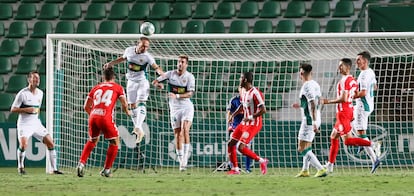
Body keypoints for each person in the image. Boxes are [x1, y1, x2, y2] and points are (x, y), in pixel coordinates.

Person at [321, 58, 379, 174]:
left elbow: (343, 98)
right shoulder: (353, 80)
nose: (339, 68)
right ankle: (330, 165)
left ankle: (373, 144)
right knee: (333, 137)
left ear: (347, 67)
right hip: (347, 111)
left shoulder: (345, 81)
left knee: (347, 141)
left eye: (341, 66)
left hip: (344, 112)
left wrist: (327, 101)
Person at [104, 36, 163, 144]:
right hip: (130, 82)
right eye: (143, 46)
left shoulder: (147, 57)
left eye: (147, 47)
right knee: (131, 106)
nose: (145, 48)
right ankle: (139, 129)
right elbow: (123, 58)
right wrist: (111, 63)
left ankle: (137, 127)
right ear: (138, 44)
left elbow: (156, 68)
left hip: (142, 82)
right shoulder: (129, 50)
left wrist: (162, 77)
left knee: (141, 102)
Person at [76, 67, 132, 177]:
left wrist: (95, 116)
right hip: (105, 117)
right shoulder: (118, 88)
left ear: (103, 77)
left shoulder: (96, 87)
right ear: (114, 77)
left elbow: (86, 106)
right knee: (115, 142)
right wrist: (128, 112)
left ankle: (81, 164)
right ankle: (106, 170)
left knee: (92, 140)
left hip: (93, 116)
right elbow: (124, 104)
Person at [11, 71, 63, 175]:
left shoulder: (40, 93)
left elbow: (36, 109)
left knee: (50, 142)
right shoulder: (22, 93)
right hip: (24, 124)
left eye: (38, 78)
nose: (37, 80)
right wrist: (27, 110)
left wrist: (34, 112)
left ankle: (54, 169)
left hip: (35, 123)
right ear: (29, 80)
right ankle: (20, 167)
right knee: (24, 145)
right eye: (34, 78)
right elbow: (13, 109)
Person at [152, 55, 195, 171]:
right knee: (177, 134)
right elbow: (155, 81)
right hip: (174, 109)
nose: (180, 64)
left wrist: (177, 95)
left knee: (185, 129)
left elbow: (190, 94)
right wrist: (158, 85)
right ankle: (181, 161)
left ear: (186, 64)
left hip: (186, 106)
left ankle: (185, 158)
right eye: (179, 62)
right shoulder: (170, 74)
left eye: (182, 62)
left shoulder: (190, 77)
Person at [227, 72, 268, 175]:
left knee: (240, 147)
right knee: (231, 143)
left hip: (254, 124)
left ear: (245, 80)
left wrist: (250, 117)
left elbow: (263, 110)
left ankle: (262, 161)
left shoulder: (255, 93)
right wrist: (233, 115)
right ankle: (235, 169)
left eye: (240, 78)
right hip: (244, 123)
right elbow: (242, 106)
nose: (239, 80)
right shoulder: (244, 92)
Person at [292, 64, 327, 178]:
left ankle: (320, 169)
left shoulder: (306, 86)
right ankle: (305, 170)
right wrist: (301, 105)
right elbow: (318, 101)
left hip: (309, 120)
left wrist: (313, 122)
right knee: (308, 146)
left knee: (301, 148)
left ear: (301, 73)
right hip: (316, 117)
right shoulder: (315, 84)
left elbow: (312, 103)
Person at [354, 51, 381, 173]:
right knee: (348, 123)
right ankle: (362, 143)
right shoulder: (370, 72)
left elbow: (363, 92)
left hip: (362, 107)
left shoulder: (364, 75)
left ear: (365, 61)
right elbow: (375, 87)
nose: (356, 61)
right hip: (369, 105)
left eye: (359, 59)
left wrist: (351, 96)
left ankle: (374, 157)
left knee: (361, 134)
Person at [226, 86, 252, 173]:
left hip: (247, 126)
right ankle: (233, 166)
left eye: (245, 89)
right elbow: (229, 113)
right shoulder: (234, 100)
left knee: (246, 146)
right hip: (235, 126)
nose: (243, 91)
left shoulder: (249, 101)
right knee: (231, 143)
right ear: (239, 90)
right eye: (242, 89)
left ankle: (248, 168)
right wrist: (229, 124)